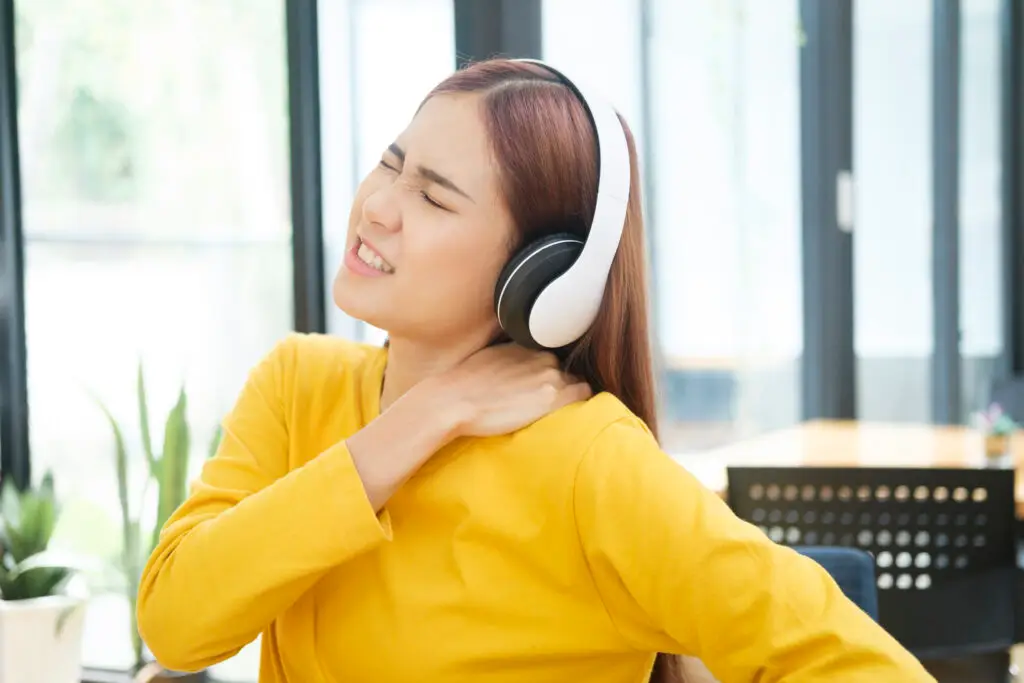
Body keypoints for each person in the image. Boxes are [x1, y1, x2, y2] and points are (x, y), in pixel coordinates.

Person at [136, 58, 933, 683]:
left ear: (542, 274)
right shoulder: (296, 383)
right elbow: (177, 621)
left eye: (434, 198)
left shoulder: (585, 460)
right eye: (391, 162)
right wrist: (423, 417)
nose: (378, 204)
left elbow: (854, 660)